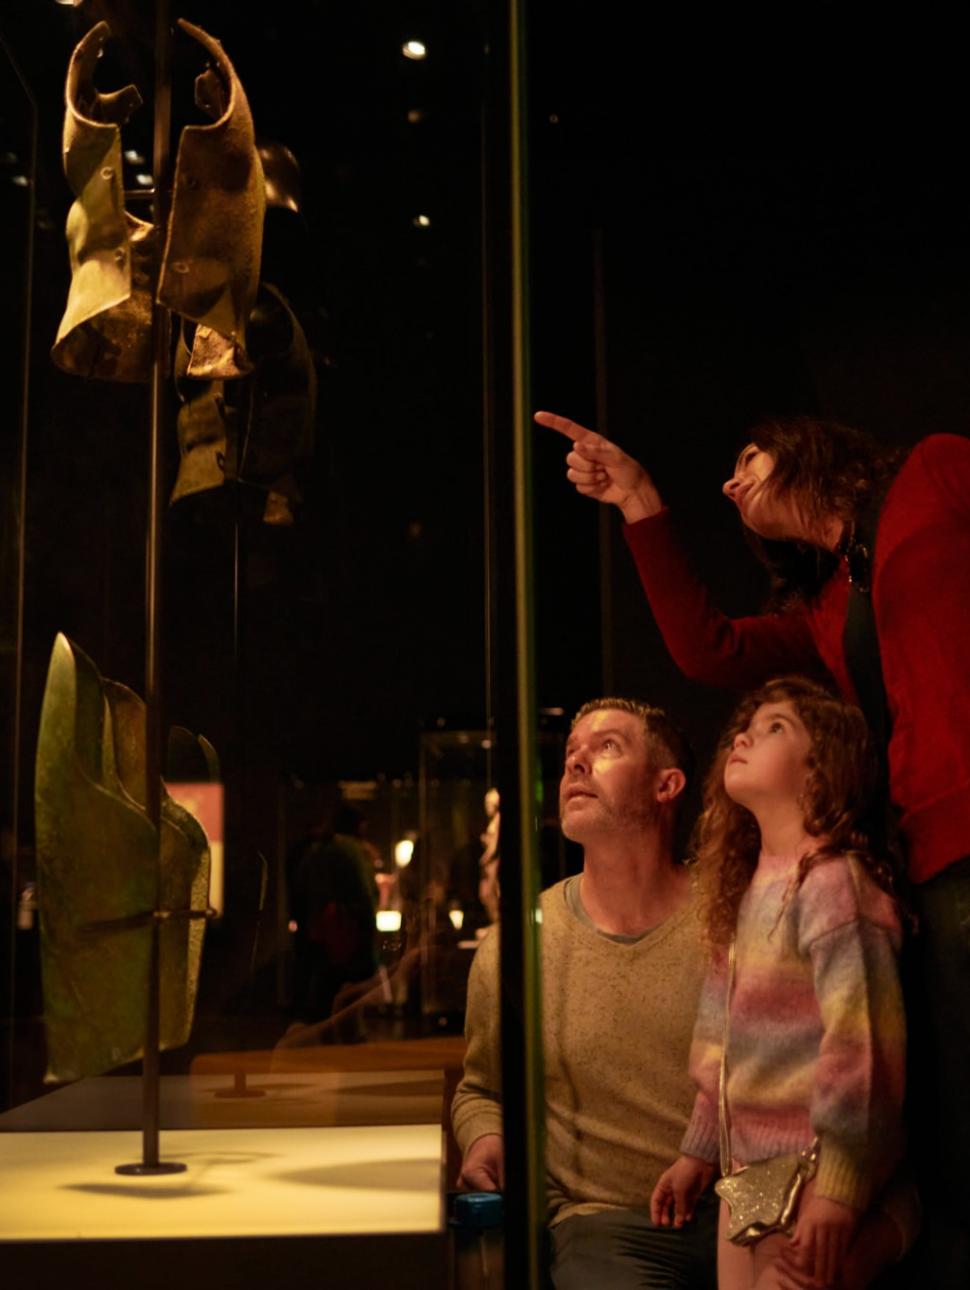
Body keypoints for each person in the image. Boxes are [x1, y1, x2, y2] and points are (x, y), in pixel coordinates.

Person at [537, 408, 970, 1288]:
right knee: (948, 1123)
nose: (733, 483)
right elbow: (709, 649)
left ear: (811, 443)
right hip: (927, 861)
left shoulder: (934, 470)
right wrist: (638, 501)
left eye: (747, 457)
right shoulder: (823, 607)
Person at [452, 698, 718, 1289]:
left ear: (666, 785)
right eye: (571, 753)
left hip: (743, 1207)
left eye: (606, 748)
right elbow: (481, 1088)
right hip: (606, 1224)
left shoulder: (731, 916)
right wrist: (485, 1141)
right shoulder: (520, 944)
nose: (576, 765)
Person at [651, 677, 908, 1290]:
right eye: (748, 724)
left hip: (814, 1177)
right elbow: (720, 1043)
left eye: (775, 729)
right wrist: (699, 1151)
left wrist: (840, 1192)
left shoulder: (832, 885)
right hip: (749, 1180)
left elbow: (863, 1049)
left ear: (822, 769)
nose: (743, 735)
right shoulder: (745, 890)